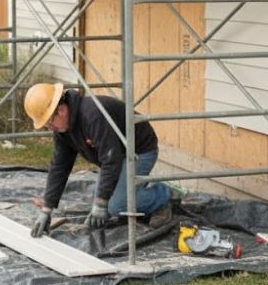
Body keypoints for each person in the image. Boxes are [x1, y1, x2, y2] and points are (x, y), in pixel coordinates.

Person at [24, 82, 173, 238]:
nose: (49, 128)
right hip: (114, 155)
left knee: (115, 205)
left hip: (139, 151)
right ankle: (135, 190)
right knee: (103, 198)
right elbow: (59, 167)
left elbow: (111, 160)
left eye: (49, 122)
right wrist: (47, 210)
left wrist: (101, 202)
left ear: (61, 110)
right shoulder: (63, 130)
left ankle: (163, 195)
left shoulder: (92, 115)